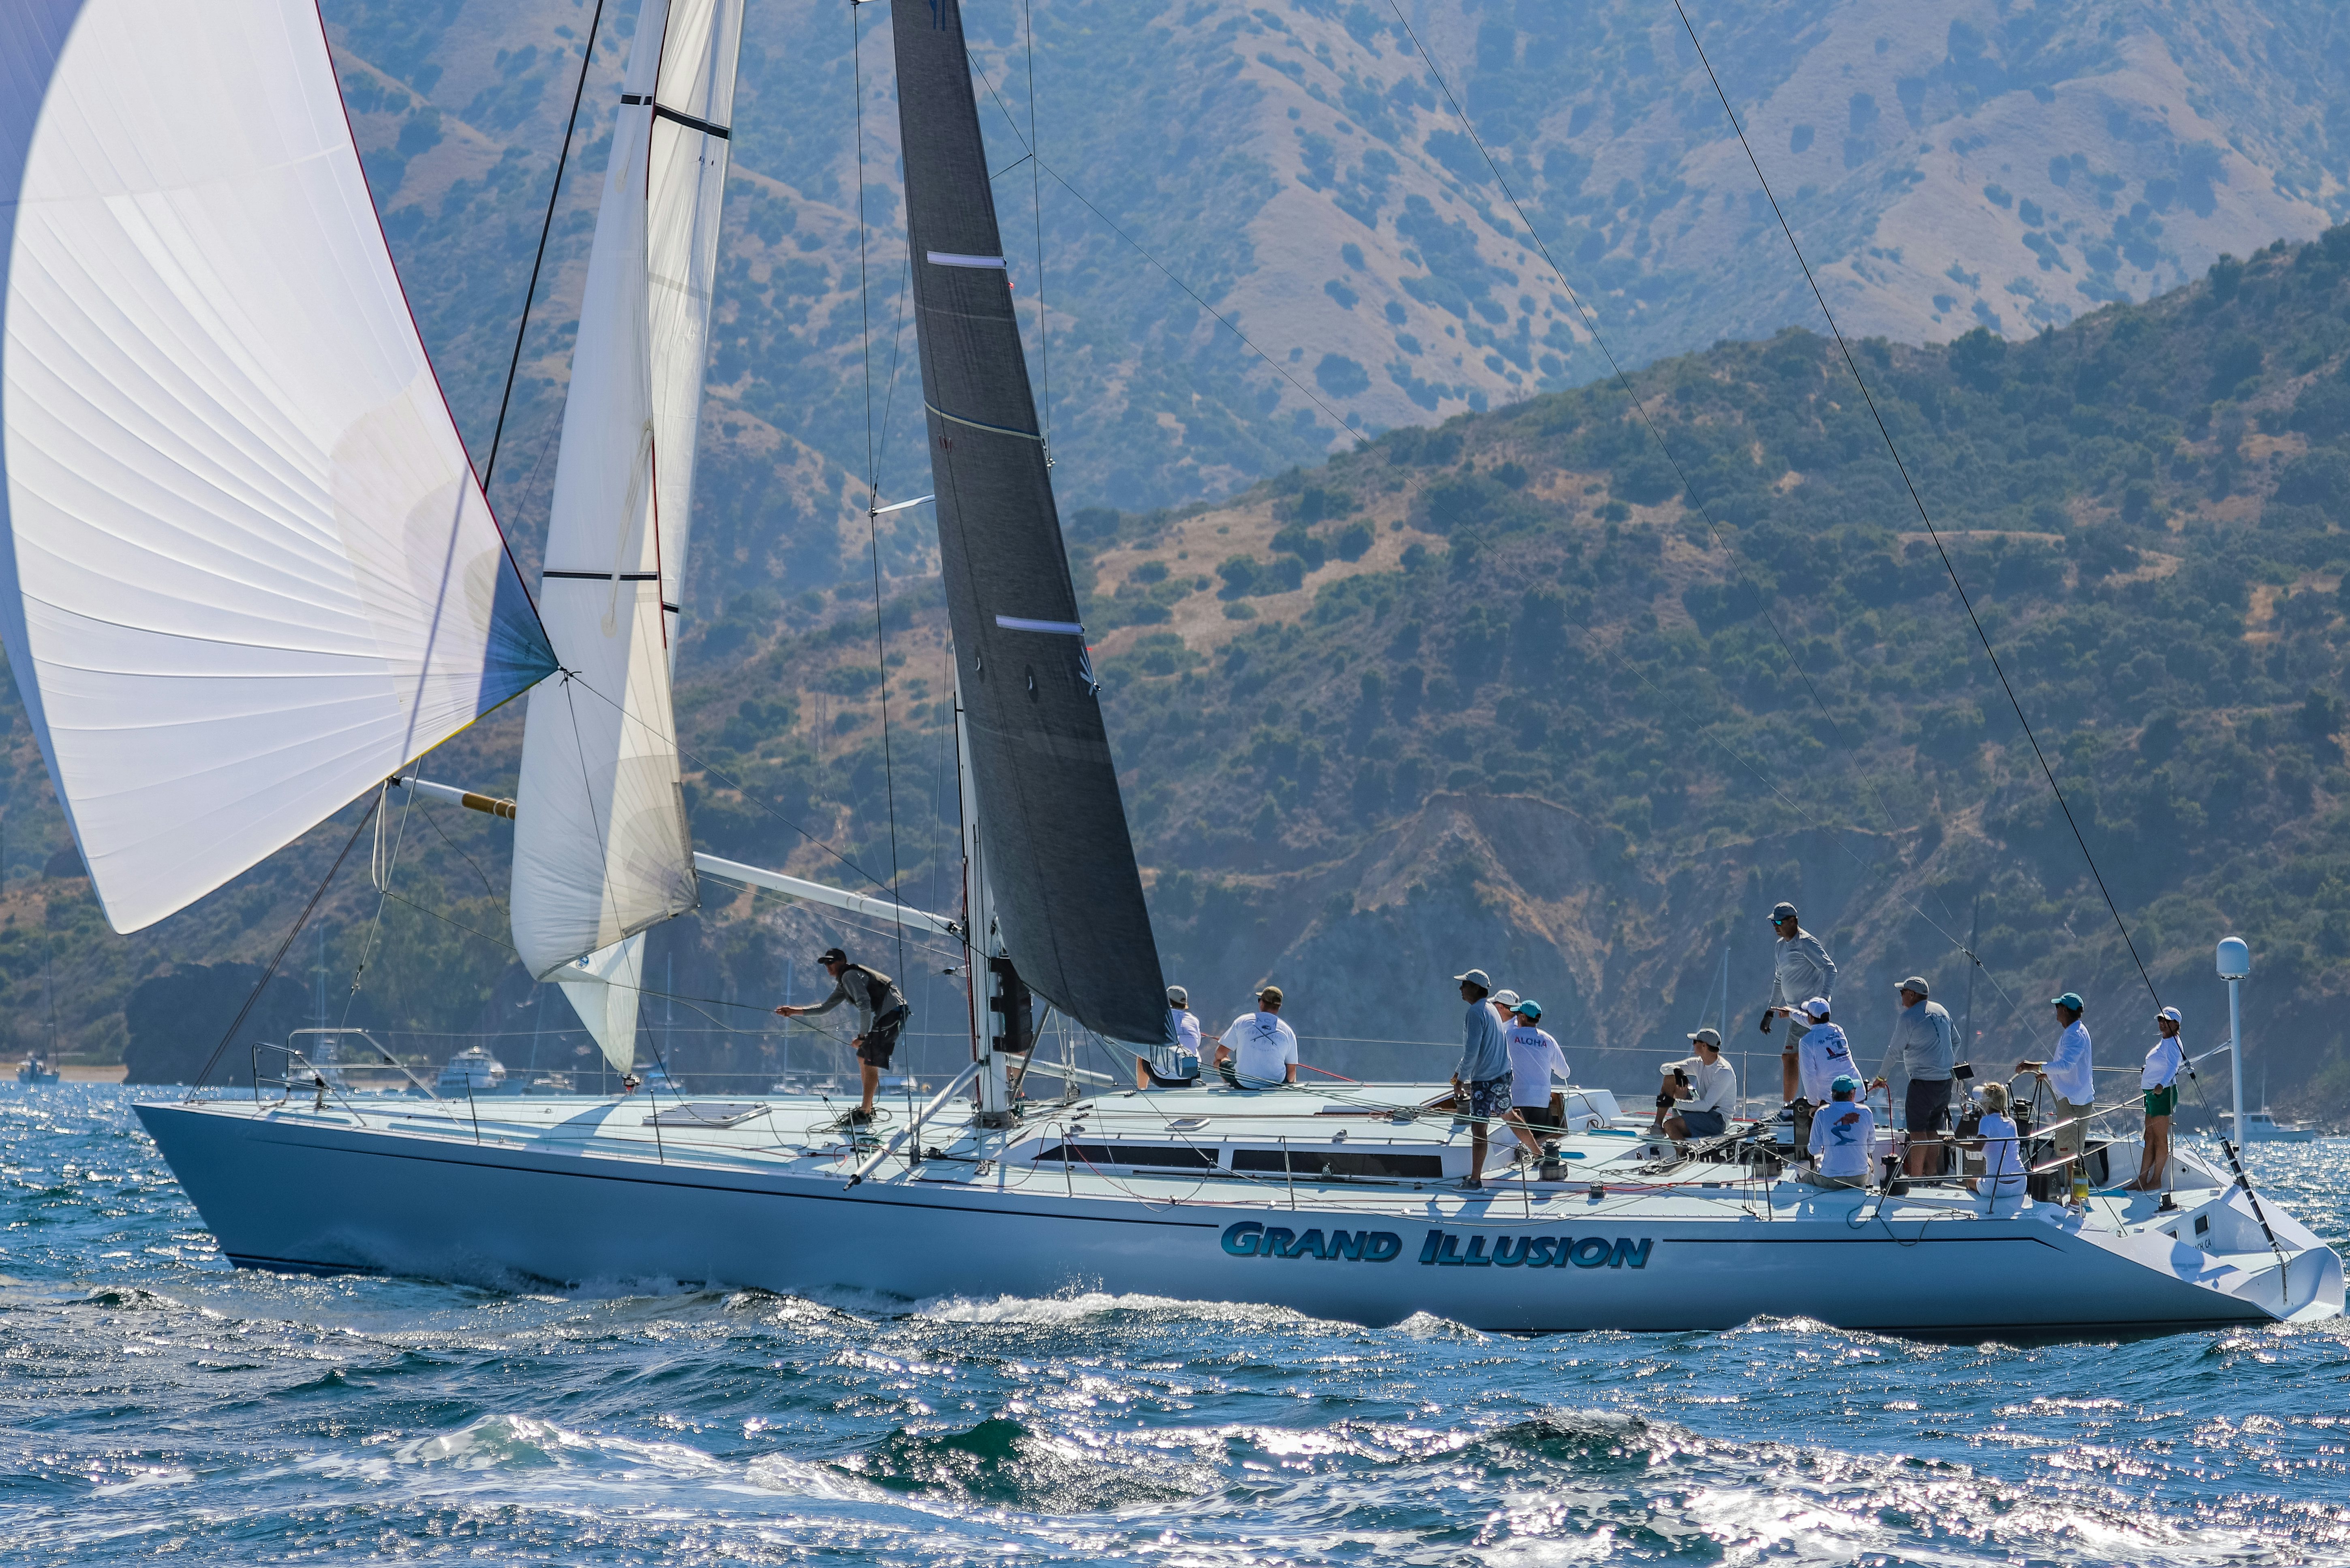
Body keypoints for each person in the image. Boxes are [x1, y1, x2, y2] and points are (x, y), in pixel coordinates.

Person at [775, 947, 909, 1124]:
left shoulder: (849, 976)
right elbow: (824, 1008)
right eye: (826, 964)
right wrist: (794, 1011)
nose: (828, 966)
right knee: (863, 1057)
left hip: (893, 1011)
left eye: (831, 962)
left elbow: (864, 1004)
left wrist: (862, 1037)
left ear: (842, 962)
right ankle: (867, 1109)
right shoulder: (843, 983)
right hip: (890, 1013)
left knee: (868, 1058)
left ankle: (865, 1112)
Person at [1449, 968, 1539, 1188]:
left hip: (1486, 1080)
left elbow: (1472, 1051)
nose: (1461, 988)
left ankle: (1475, 1180)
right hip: (1503, 1075)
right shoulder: (1490, 1008)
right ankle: (1539, 1154)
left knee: (1479, 1128)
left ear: (1475, 989)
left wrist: (1460, 1079)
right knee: (1509, 1115)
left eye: (1465, 985)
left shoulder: (1476, 1013)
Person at [2016, 991, 2093, 1188]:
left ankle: (2078, 1199)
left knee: (2071, 1154)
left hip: (2073, 1101)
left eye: (2058, 1007)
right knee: (2072, 1154)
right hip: (2075, 1098)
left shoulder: (2074, 1034)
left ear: (2066, 1010)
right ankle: (2078, 1197)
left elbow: (2066, 1065)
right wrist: (2049, 1074)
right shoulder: (2076, 1031)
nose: (2056, 1011)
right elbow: (2069, 1067)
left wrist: (2034, 1066)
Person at [1764, 902, 1838, 1104]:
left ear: (1793, 922)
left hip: (1808, 1014)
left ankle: (1790, 1107)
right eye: (1773, 922)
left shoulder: (1806, 943)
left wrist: (1822, 1002)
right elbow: (1779, 980)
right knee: (1804, 1059)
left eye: (1779, 922)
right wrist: (1770, 1011)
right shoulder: (1780, 946)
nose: (1775, 926)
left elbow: (1830, 969)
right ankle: (1807, 1104)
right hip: (1793, 1014)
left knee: (1791, 1058)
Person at [1889, 975, 1956, 1177]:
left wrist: (1882, 1078)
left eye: (1902, 993)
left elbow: (1894, 1051)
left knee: (1918, 1132)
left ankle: (1916, 1178)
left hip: (1923, 1083)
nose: (1900, 997)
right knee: (1933, 1130)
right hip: (1945, 1082)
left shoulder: (1908, 1017)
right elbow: (1957, 1041)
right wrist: (1943, 1060)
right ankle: (1932, 1175)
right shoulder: (1942, 1011)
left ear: (1911, 994)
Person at [2130, 1005, 2187, 1193]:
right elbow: (2160, 1064)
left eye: (2167, 1021)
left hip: (2162, 1094)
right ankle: (2142, 1180)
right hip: (2152, 1095)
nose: (2163, 1024)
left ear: (2176, 1024)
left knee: (2160, 1139)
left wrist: (2161, 1084)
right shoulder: (2164, 1042)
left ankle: (2156, 1180)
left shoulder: (2173, 1044)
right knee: (2149, 1137)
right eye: (2161, 1020)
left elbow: (2173, 1068)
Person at [1503, 999, 1571, 1156]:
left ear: (1523, 1017)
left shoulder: (1509, 1036)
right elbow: (1564, 1073)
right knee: (1542, 1140)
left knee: (1519, 1143)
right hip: (1541, 1100)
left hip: (1517, 1098)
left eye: (1518, 1014)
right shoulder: (1548, 1040)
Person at [1788, 997, 1853, 1150]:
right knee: (1854, 1137)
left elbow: (1809, 1075)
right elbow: (1816, 1025)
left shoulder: (1807, 1042)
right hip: (1855, 1091)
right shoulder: (1837, 1029)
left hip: (1832, 1098)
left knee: (1835, 1142)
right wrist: (1791, 1014)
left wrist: (1813, 1104)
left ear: (1811, 1017)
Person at [1657, 1028, 1738, 1141]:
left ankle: (1685, 1155)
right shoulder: (1698, 1063)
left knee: (1670, 1125)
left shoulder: (1723, 1072)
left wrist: (1674, 1104)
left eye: (1695, 1042)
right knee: (1670, 1078)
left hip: (1717, 1120)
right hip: (1702, 1111)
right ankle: (1657, 1126)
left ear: (1704, 1046)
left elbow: (1706, 1106)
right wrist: (1677, 1071)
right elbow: (1664, 1068)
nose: (1693, 1044)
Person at [1214, 986, 1298, 1088]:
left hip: (1243, 1083)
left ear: (1262, 1003)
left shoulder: (1242, 1021)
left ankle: (1234, 1089)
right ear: (1279, 1006)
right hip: (1276, 1085)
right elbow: (1291, 1075)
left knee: (1219, 1062)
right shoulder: (1288, 1031)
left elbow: (1219, 1054)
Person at [1803, 1075, 1875, 1189]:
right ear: (1852, 1094)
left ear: (1833, 1095)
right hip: (1859, 1178)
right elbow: (1871, 1148)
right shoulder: (1866, 1112)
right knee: (1869, 1161)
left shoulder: (1822, 1112)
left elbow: (1814, 1150)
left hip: (1830, 1179)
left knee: (1805, 1179)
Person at [1965, 1080, 2027, 1203]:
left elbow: (1978, 1147)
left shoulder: (1986, 1121)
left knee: (1969, 1181)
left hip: (1997, 1188)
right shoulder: (2011, 1122)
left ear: (1987, 1103)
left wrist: (1954, 1143)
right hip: (2021, 1184)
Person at [1137, 984, 1204, 1091]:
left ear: (1167, 1001)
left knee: (1142, 1055)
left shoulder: (1158, 1018)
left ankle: (1141, 1090)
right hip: (1191, 1078)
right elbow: (1197, 1043)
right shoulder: (1194, 1020)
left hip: (1163, 1080)